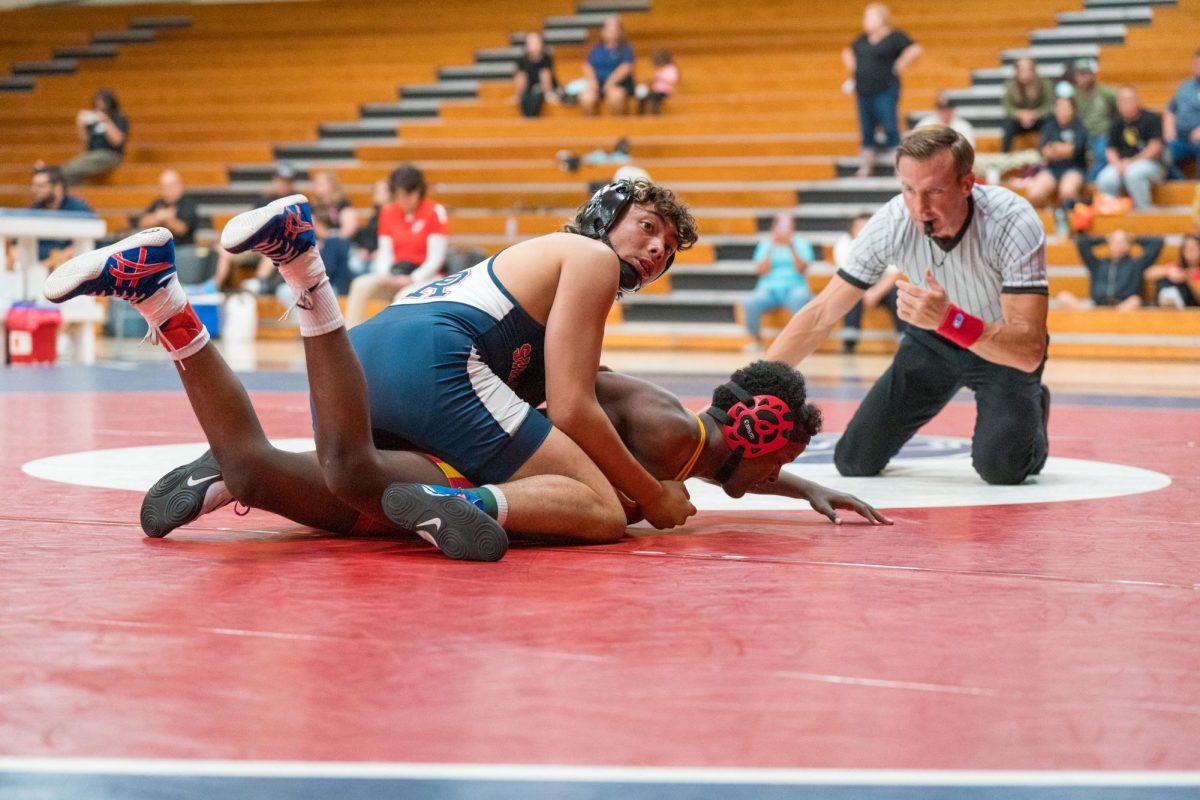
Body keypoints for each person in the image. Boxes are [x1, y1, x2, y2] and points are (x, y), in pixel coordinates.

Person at [44, 178, 699, 561]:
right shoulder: (587, 257)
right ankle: (463, 503)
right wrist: (651, 492)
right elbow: (576, 403)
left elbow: (548, 397)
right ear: (607, 216)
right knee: (602, 510)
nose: (652, 250)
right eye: (646, 228)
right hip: (441, 360)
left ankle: (158, 295)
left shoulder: (535, 264)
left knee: (337, 481)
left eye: (666, 250)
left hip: (365, 350)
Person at [133, 361, 892, 543]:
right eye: (780, 460)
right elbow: (581, 412)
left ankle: (235, 475)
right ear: (757, 435)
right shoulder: (669, 437)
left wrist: (801, 490)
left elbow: (730, 476)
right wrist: (640, 501)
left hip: (476, 423)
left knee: (366, 505)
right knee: (603, 515)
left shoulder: (690, 439)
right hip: (481, 435)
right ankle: (247, 471)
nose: (770, 474)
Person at [766, 125, 1051, 486]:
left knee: (1003, 470)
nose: (920, 207)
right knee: (854, 461)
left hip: (1001, 346)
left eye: (934, 190)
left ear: (968, 184)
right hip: (933, 339)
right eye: (908, 189)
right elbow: (822, 312)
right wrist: (747, 388)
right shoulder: (892, 222)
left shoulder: (1013, 220)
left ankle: (1033, 411)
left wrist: (951, 319)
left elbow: (1028, 350)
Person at [344, 164, 448, 326]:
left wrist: (412, 278)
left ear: (419, 191)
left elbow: (436, 258)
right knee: (360, 285)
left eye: (409, 194)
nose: (404, 200)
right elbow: (385, 251)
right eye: (399, 195)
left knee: (403, 296)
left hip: (425, 276)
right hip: (396, 272)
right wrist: (385, 275)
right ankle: (350, 340)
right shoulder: (388, 212)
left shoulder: (434, 211)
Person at [842, 3, 922, 177]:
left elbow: (915, 48)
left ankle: (899, 165)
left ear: (883, 19)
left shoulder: (894, 37)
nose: (866, 21)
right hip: (863, 90)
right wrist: (854, 68)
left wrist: (901, 64)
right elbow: (847, 52)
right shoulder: (862, 40)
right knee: (866, 128)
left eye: (870, 17)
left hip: (885, 87)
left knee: (890, 125)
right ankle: (866, 166)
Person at [741, 213, 814, 352]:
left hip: (794, 287)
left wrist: (791, 247)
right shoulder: (765, 244)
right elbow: (762, 271)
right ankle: (757, 341)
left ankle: (799, 344)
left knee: (801, 298)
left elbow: (802, 269)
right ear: (774, 227)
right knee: (749, 302)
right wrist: (771, 248)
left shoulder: (801, 244)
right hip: (769, 289)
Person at [836, 214, 905, 354]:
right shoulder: (843, 243)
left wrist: (874, 293)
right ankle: (850, 340)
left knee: (896, 293)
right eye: (859, 228)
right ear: (852, 230)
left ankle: (904, 337)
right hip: (855, 286)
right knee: (849, 294)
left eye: (866, 227)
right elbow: (846, 274)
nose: (863, 231)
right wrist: (864, 292)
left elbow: (893, 275)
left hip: (880, 289)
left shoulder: (886, 243)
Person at [1095, 85, 1166, 210]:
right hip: (1122, 164)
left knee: (1133, 174)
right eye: (1122, 101)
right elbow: (1111, 150)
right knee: (1105, 179)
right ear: (1118, 104)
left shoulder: (1151, 118)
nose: (1126, 104)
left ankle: (1144, 212)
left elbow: (1155, 147)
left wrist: (1131, 162)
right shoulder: (1116, 123)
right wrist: (1118, 164)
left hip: (1150, 164)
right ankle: (1114, 214)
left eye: (1129, 100)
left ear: (1137, 100)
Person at [1056, 230, 1164, 311]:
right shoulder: (1097, 264)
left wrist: (1133, 238)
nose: (1118, 244)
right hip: (1097, 306)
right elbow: (1082, 243)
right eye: (1115, 241)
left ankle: (1110, 319)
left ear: (1128, 245)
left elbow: (1157, 242)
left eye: (1122, 241)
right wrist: (1105, 238)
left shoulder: (1136, 264)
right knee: (1063, 297)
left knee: (1135, 300)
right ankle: (1093, 320)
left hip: (1121, 307)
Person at [1025, 96, 1088, 217]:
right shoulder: (1050, 126)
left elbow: (1075, 150)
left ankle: (1072, 223)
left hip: (1074, 168)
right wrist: (1063, 149)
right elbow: (1044, 151)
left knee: (1067, 192)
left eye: (1065, 107)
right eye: (1059, 107)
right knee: (1034, 193)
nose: (1061, 110)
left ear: (1072, 109)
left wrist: (1055, 149)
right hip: (1052, 169)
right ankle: (1045, 220)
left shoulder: (1079, 126)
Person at [28, 165, 95, 266]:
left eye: (41, 186)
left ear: (57, 187)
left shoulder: (79, 210)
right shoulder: (35, 209)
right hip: (35, 267)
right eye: (34, 186)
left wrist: (55, 260)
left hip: (67, 268)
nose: (35, 190)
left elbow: (88, 243)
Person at [61, 88, 129, 185]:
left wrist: (106, 121)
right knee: (66, 172)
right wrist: (80, 125)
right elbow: (84, 145)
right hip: (92, 154)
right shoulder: (92, 119)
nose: (99, 104)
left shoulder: (118, 117)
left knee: (66, 171)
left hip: (110, 154)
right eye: (97, 100)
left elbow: (117, 141)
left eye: (102, 100)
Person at [1066, 58, 1117, 181]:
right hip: (1081, 135)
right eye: (1079, 74)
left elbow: (1119, 110)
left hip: (1101, 134)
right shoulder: (1073, 95)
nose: (1083, 78)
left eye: (1086, 73)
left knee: (1102, 154)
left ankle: (1089, 182)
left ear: (1092, 74)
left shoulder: (1106, 93)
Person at [579, 15, 635, 116]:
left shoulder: (625, 49)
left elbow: (626, 67)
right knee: (586, 97)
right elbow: (587, 66)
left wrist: (611, 82)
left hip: (618, 84)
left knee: (615, 96)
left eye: (614, 30)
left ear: (620, 32)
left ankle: (617, 128)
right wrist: (592, 82)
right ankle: (591, 128)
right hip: (598, 84)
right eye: (608, 30)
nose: (610, 33)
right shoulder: (596, 49)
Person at [1000, 58, 1054, 154]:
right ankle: (1005, 157)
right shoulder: (1010, 84)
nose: (1025, 73)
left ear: (1034, 70)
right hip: (1019, 120)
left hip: (1039, 119)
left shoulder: (1045, 83)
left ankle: (1045, 155)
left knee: (1050, 122)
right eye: (1022, 70)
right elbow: (1007, 108)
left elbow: (1050, 106)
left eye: (1028, 70)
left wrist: (1035, 114)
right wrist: (1020, 114)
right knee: (1007, 125)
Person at [135, 170, 200, 247]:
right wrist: (160, 217)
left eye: (172, 185)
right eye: (165, 186)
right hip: (159, 248)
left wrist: (165, 218)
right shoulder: (157, 203)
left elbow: (182, 229)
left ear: (179, 185)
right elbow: (142, 223)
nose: (169, 189)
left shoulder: (188, 204)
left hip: (182, 248)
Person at [1163, 48, 1200, 177]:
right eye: (1196, 64)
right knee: (1162, 153)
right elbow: (1170, 109)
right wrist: (1169, 129)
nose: (1198, 67)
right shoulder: (1184, 86)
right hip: (1180, 137)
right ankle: (1180, 184)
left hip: (1198, 138)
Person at [513, 31, 559, 118]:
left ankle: (533, 120)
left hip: (543, 90)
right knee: (526, 98)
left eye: (536, 42)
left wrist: (548, 93)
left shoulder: (546, 59)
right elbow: (521, 78)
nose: (534, 45)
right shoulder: (522, 60)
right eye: (531, 42)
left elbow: (546, 76)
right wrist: (518, 95)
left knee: (537, 96)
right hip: (528, 89)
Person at [1146, 233, 1200, 308]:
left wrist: (1188, 279)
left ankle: (1173, 299)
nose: (1190, 251)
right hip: (1170, 303)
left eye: (1194, 248)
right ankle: (1169, 298)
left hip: (1192, 307)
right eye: (1186, 247)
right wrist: (1168, 271)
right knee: (1165, 280)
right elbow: (1148, 273)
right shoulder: (1178, 266)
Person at [638, 49, 679, 116]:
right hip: (656, 90)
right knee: (641, 94)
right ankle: (641, 114)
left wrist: (658, 78)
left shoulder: (671, 68)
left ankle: (656, 115)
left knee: (655, 98)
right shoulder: (659, 69)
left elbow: (672, 80)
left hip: (666, 91)